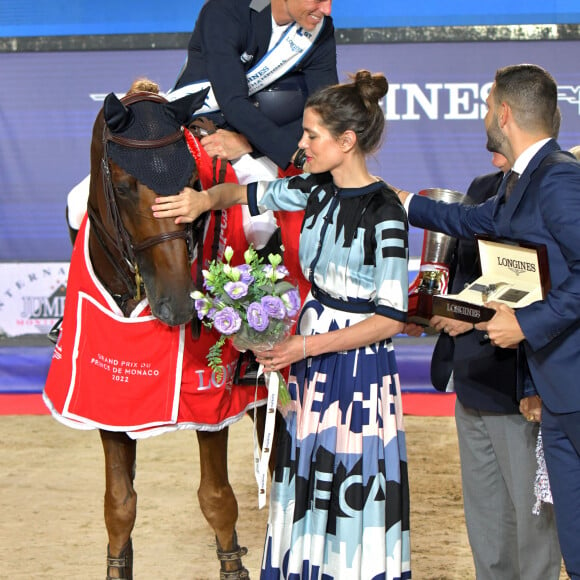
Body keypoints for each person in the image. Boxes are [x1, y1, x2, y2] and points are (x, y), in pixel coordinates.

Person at [152, 70, 412, 579]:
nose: (301, 144)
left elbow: (390, 320)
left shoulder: (387, 213)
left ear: (346, 141)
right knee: (305, 477)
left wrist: (305, 347)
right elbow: (244, 195)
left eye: (312, 135)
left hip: (357, 372)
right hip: (311, 360)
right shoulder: (311, 190)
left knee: (351, 484)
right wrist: (203, 200)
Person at [395, 63, 580, 579]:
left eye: (485, 106)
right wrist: (398, 200)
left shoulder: (559, 177)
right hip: (553, 383)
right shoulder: (522, 182)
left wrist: (527, 325)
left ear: (503, 112)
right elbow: (469, 220)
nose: (482, 117)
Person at [429, 151, 561, 579]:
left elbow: (551, 293)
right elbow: (467, 278)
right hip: (473, 380)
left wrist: (534, 386)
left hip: (524, 385)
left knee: (534, 525)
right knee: (486, 524)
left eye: (493, 107)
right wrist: (435, 309)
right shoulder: (483, 189)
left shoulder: (556, 191)